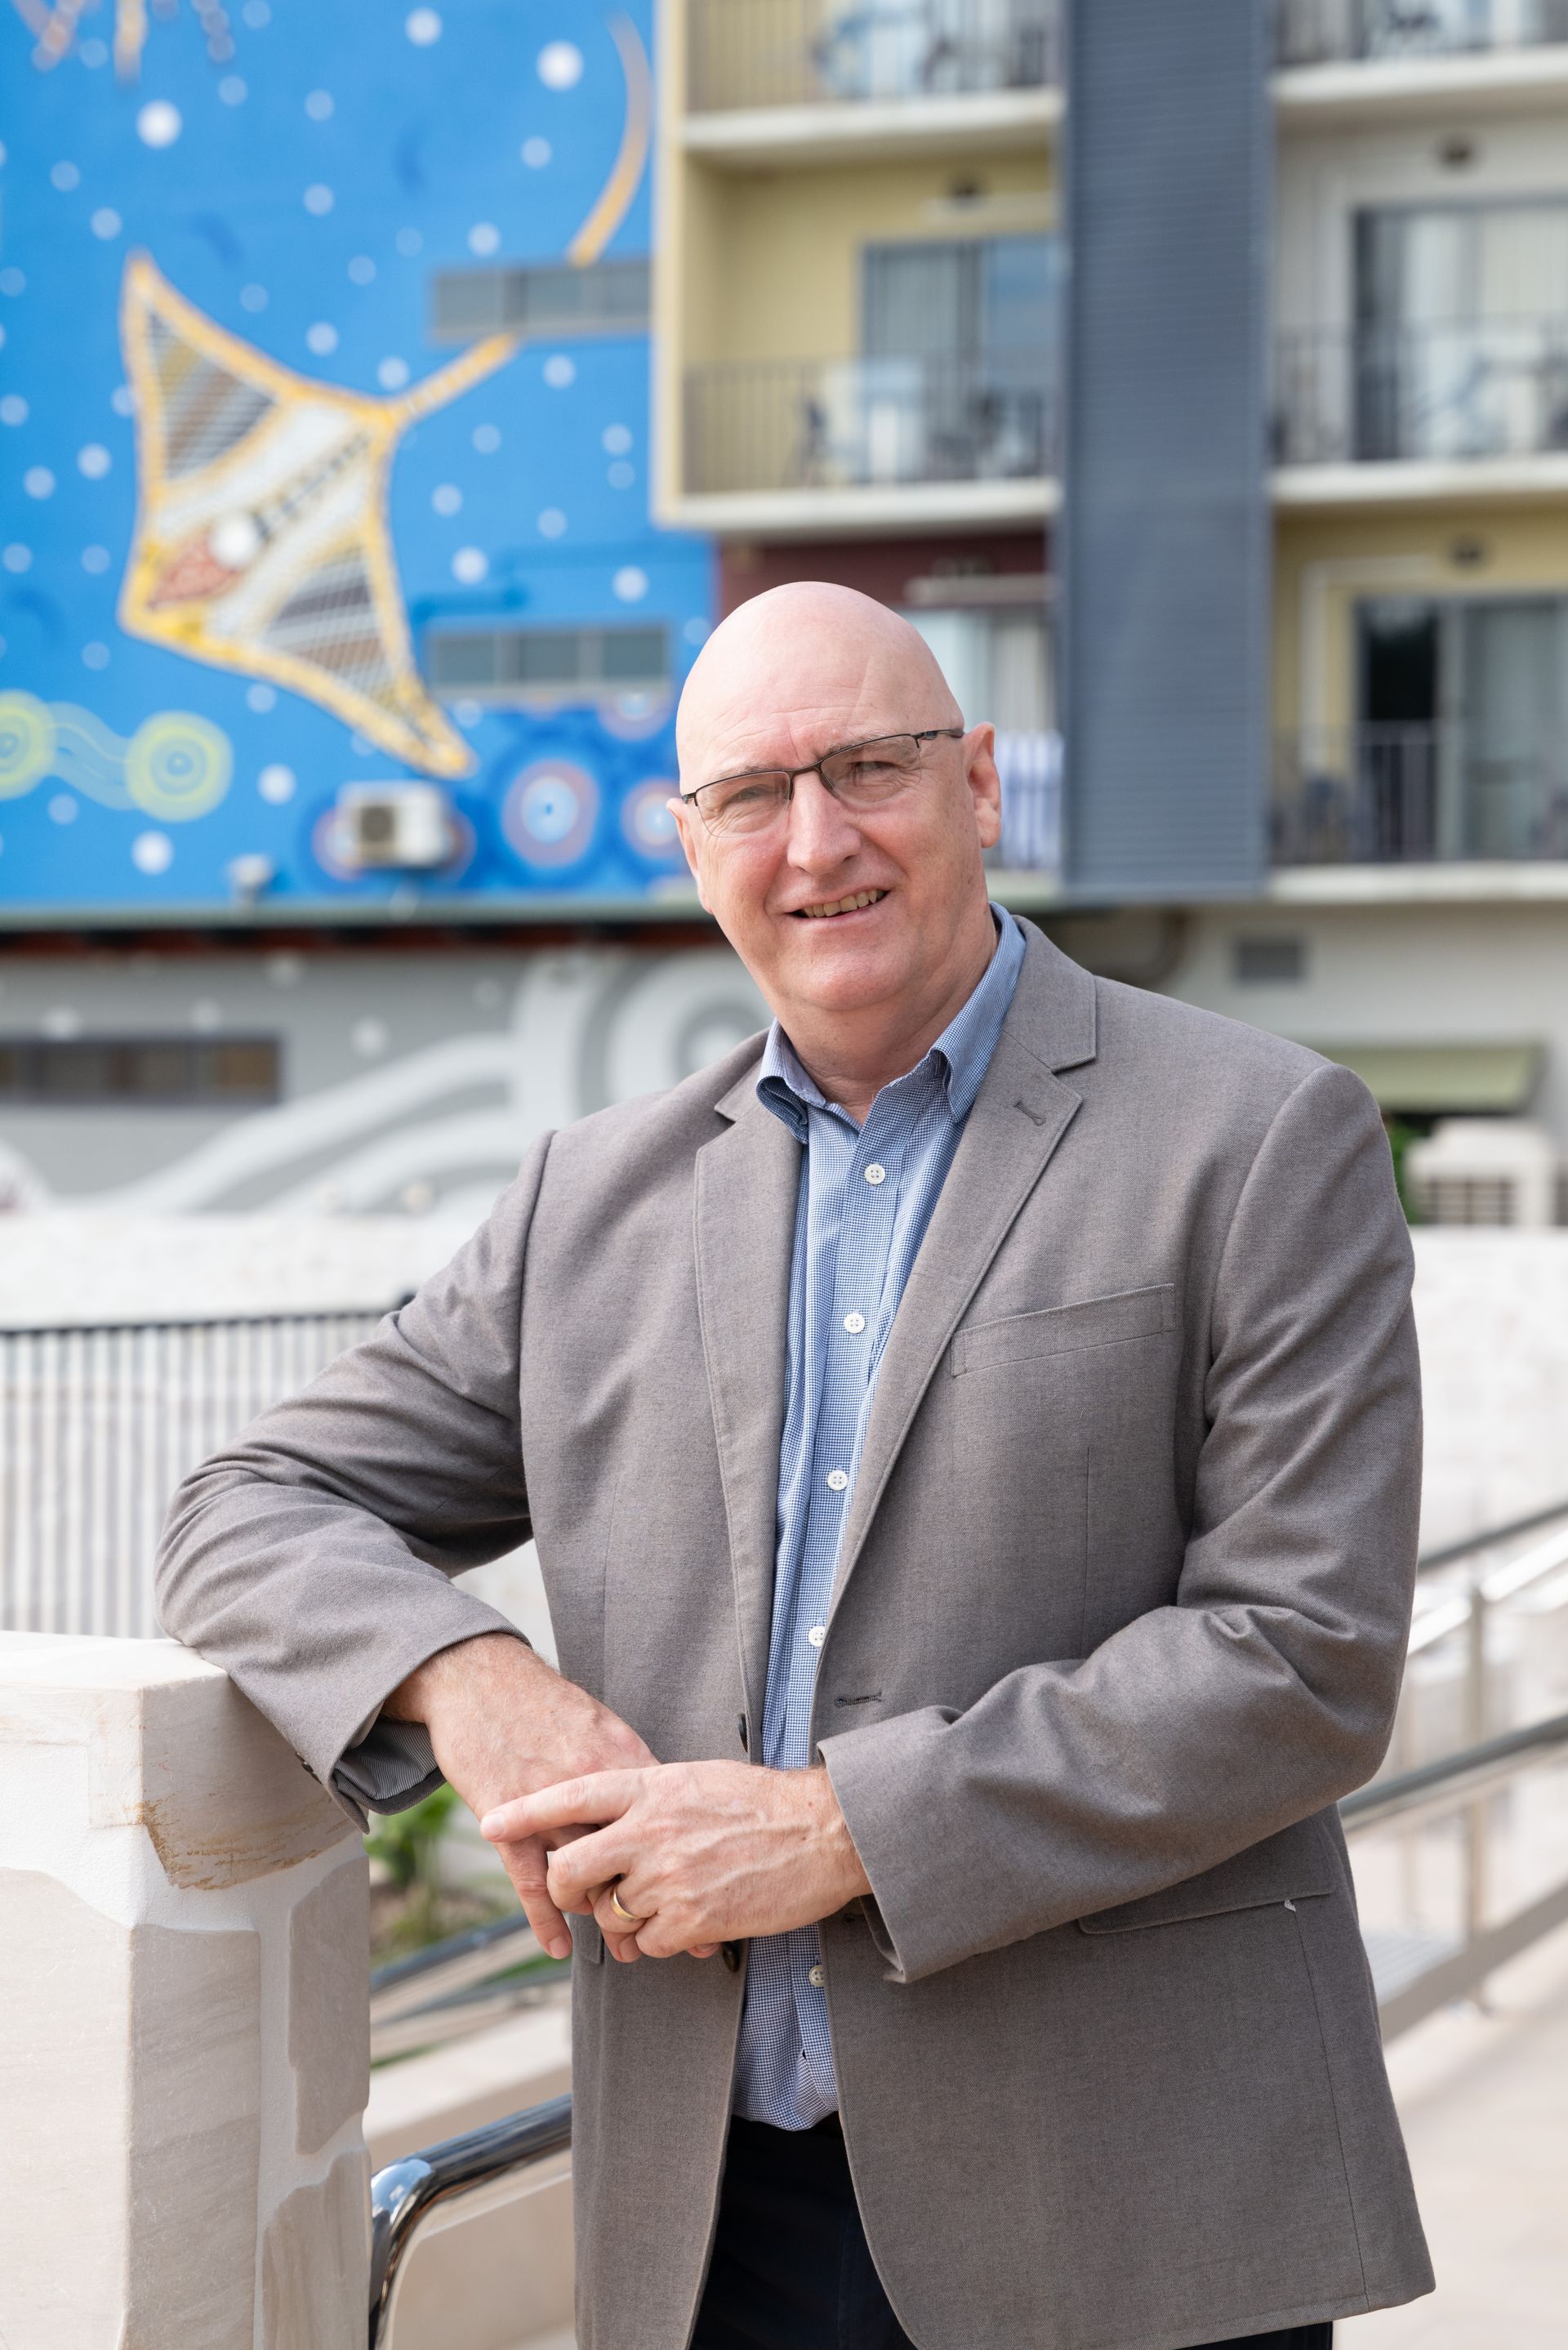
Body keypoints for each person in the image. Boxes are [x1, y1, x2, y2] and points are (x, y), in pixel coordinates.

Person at [157, 583, 1433, 2350]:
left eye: (869, 767)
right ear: (692, 844)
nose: (816, 840)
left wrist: (838, 1829)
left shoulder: (1260, 1131)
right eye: (752, 794)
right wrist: (471, 1678)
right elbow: (244, 1501)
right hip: (708, 2230)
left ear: (979, 782)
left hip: (1131, 2210)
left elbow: (1305, 1658)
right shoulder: (586, 1198)